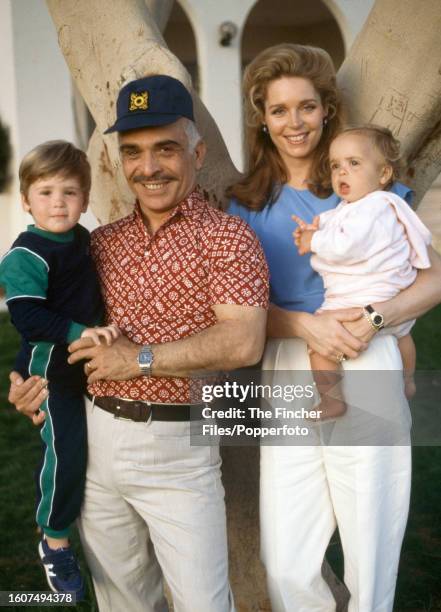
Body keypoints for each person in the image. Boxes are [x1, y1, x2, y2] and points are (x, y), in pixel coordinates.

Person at [8, 75, 269, 612]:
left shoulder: (228, 238)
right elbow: (48, 322)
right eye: (133, 153)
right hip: (95, 441)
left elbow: (243, 341)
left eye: (165, 149)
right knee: (122, 601)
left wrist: (139, 360)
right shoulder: (96, 244)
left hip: (179, 451)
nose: (148, 168)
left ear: (197, 153)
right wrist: (31, 383)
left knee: (202, 602)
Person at [227, 44, 441, 612]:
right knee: (287, 554)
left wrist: (374, 321)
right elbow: (232, 308)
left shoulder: (367, 187)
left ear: (326, 110)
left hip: (364, 353)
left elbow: (432, 278)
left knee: (369, 532)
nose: (294, 122)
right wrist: (304, 324)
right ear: (262, 119)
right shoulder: (245, 204)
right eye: (279, 110)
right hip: (288, 364)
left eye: (306, 107)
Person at [0, 140, 121, 598]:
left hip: (89, 367)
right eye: (46, 192)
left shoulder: (84, 240)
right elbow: (28, 319)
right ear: (27, 199)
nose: (58, 203)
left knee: (95, 455)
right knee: (66, 451)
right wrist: (81, 332)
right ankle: (53, 538)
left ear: (85, 200)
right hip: (51, 373)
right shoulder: (25, 255)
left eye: (69, 193)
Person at [293, 125, 431, 419]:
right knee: (404, 336)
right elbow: (339, 224)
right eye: (335, 166)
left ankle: (332, 399)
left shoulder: (373, 207)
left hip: (360, 301)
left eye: (353, 164)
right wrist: (316, 229)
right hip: (392, 299)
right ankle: (408, 380)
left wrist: (312, 240)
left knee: (319, 347)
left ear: (383, 174)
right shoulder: (367, 206)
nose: (342, 173)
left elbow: (347, 245)